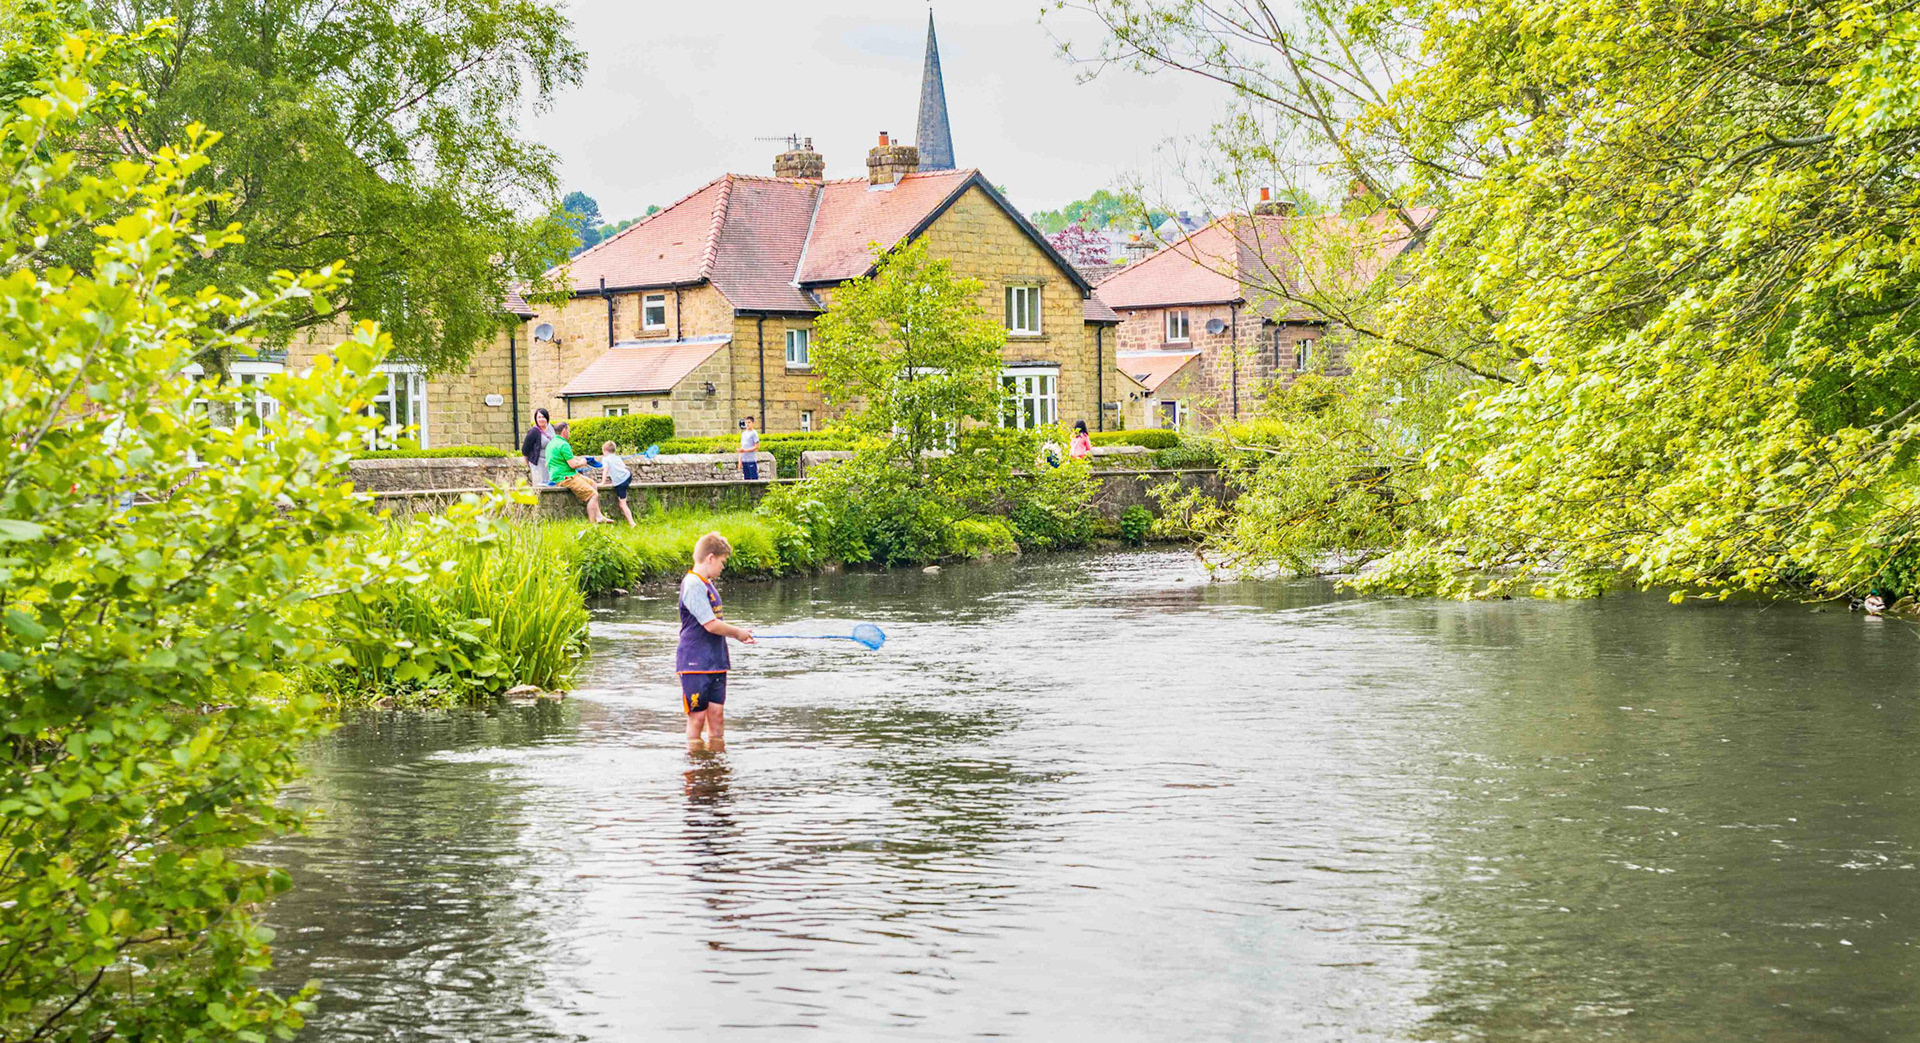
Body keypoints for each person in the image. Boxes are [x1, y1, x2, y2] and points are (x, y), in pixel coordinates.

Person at [679, 531, 755, 747]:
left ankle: (717, 766)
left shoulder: (707, 583)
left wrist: (737, 630)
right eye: (722, 562)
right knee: (698, 719)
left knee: (717, 716)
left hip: (716, 661)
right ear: (710, 558)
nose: (723, 567)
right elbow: (710, 624)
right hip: (695, 663)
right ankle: (695, 769)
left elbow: (716, 622)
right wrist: (738, 633)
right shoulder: (693, 584)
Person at [546, 420, 613, 524]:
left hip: (563, 475)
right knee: (593, 495)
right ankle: (593, 524)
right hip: (566, 478)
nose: (569, 433)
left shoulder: (551, 444)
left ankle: (599, 516)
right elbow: (573, 465)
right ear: (564, 431)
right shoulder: (564, 445)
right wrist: (583, 462)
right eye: (569, 430)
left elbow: (552, 463)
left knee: (593, 484)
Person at [600, 440, 635, 526]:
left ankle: (632, 523)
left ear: (605, 451)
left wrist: (602, 483)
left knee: (623, 504)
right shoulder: (617, 458)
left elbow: (606, 470)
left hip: (621, 483)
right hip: (628, 476)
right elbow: (622, 468)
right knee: (622, 500)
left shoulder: (605, 459)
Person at [521, 408, 553, 487]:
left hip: (550, 462)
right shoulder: (533, 431)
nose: (541, 419)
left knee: (551, 485)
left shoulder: (551, 428)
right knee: (540, 485)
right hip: (538, 463)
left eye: (543, 417)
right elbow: (525, 449)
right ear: (536, 419)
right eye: (539, 417)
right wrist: (528, 464)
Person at [739, 416, 761, 481]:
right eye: (746, 423)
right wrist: (740, 460)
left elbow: (756, 446)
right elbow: (742, 447)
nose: (747, 424)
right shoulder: (743, 434)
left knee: (753, 478)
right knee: (746, 479)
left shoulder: (754, 433)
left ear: (752, 423)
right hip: (744, 460)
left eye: (749, 422)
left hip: (751, 459)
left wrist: (745, 450)